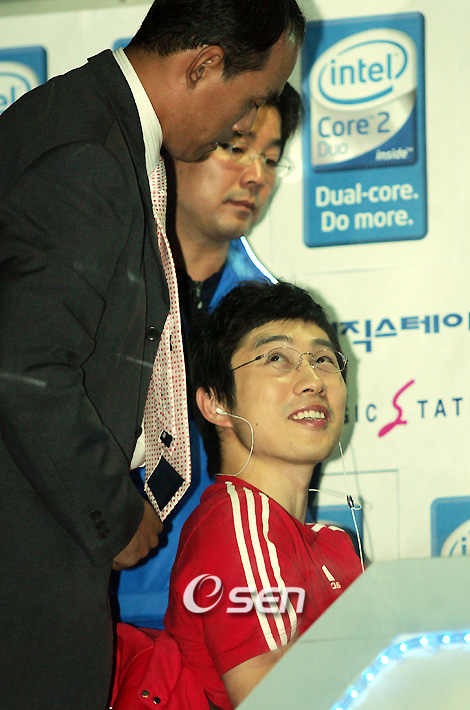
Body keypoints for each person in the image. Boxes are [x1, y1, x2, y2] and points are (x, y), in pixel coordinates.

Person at [0, 0, 305, 707]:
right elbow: (25, 365)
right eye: (250, 100)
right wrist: (113, 510)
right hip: (29, 576)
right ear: (203, 65)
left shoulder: (74, 123)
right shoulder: (87, 154)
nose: (244, 122)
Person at [111, 281, 362, 710]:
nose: (312, 381)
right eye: (277, 358)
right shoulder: (239, 524)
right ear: (215, 404)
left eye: (323, 359)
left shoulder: (332, 544)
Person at [116, 83, 303, 629]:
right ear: (178, 145)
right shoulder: (98, 290)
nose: (256, 175)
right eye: (236, 148)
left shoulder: (278, 324)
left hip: (233, 617)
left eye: (271, 159)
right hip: (97, 613)